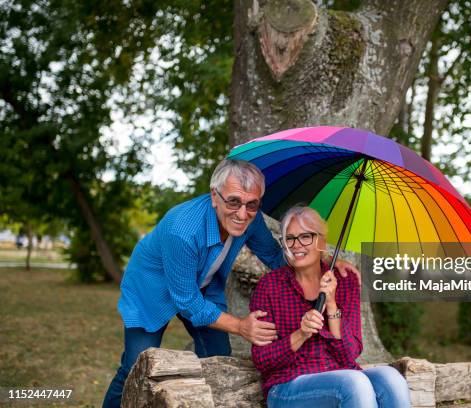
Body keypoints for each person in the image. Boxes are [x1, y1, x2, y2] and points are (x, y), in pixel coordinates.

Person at [102, 160, 359, 408]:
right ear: (215, 196)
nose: (242, 213)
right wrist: (240, 326)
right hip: (151, 289)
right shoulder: (182, 230)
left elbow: (273, 255)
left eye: (252, 204)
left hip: (203, 287)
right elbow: (187, 302)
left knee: (218, 357)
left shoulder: (250, 218)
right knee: (134, 366)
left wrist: (323, 260)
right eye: (234, 201)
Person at [250, 206, 411, 408]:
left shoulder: (345, 280)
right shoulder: (270, 286)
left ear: (322, 242)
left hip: (341, 375)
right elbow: (262, 360)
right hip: (289, 385)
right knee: (354, 383)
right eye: (289, 238)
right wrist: (300, 334)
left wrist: (332, 303)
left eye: (306, 236)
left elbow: (350, 354)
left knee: (391, 379)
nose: (296, 245)